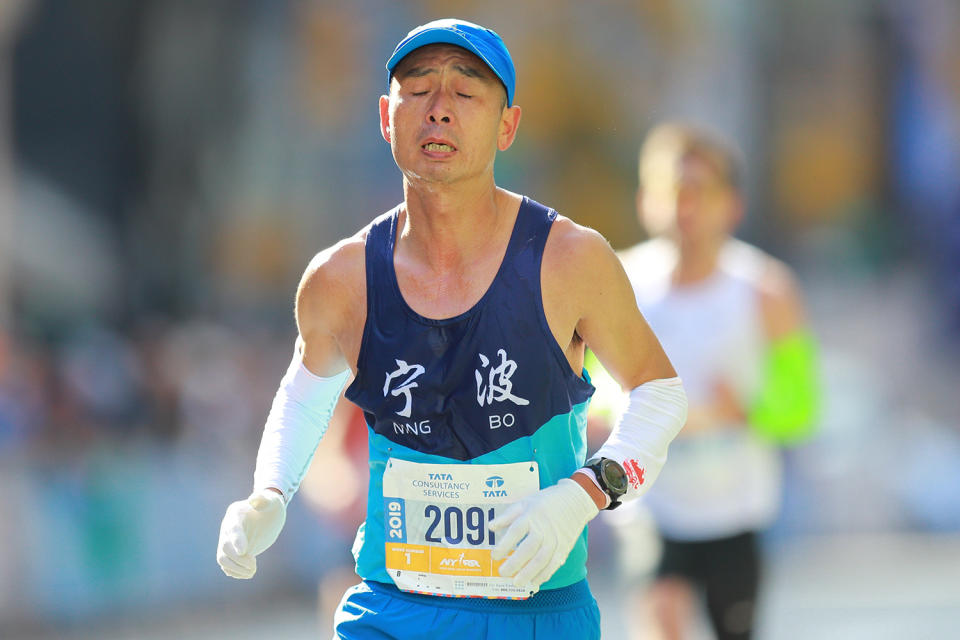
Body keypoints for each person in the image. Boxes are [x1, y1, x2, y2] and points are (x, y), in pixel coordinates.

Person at [215, 19, 688, 640]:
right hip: (391, 609)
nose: (439, 111)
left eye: (466, 94)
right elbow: (307, 390)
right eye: (418, 90)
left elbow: (661, 395)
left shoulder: (569, 260)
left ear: (507, 125)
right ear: (387, 116)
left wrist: (581, 496)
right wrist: (268, 495)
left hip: (538, 614)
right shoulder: (341, 278)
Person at [612, 122, 819, 640]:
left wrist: (742, 410)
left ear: (732, 205)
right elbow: (588, 388)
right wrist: (631, 412)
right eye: (672, 192)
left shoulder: (767, 291)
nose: (686, 208)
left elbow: (802, 404)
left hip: (736, 507)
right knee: (661, 621)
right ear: (646, 201)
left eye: (700, 192)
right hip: (653, 505)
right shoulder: (621, 285)